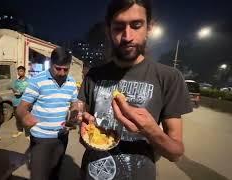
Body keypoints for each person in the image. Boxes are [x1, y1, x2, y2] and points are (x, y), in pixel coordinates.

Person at [77, 0, 193, 179]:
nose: (127, 36)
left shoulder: (169, 77)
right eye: (118, 27)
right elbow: (81, 122)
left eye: (136, 25)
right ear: (108, 30)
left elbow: (176, 153)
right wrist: (79, 121)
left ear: (149, 28)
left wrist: (151, 130)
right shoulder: (94, 75)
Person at [17, 47, 78, 180]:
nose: (62, 73)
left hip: (62, 137)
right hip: (41, 138)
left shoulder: (72, 82)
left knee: (55, 173)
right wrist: (25, 116)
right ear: (51, 64)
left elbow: (74, 105)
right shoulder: (37, 80)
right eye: (58, 68)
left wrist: (73, 118)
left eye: (66, 69)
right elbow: (21, 108)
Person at [11, 66, 30, 138]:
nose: (20, 72)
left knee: (25, 118)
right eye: (19, 71)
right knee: (18, 118)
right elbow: (14, 89)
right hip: (16, 102)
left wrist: (22, 93)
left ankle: (27, 134)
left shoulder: (28, 81)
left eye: (21, 71)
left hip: (24, 103)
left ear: (24, 72)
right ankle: (20, 131)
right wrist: (15, 91)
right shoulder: (16, 81)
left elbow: (30, 92)